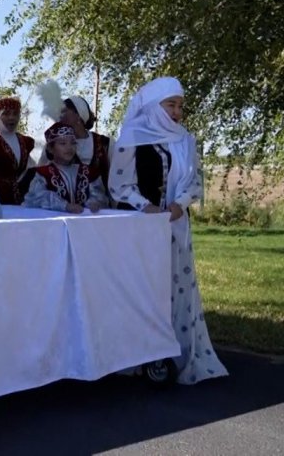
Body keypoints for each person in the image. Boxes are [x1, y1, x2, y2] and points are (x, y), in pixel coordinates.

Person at [109, 77, 227, 385]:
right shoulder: (132, 138)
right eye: (170, 105)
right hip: (140, 227)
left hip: (175, 224)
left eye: (180, 106)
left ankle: (173, 351)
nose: (176, 112)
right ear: (153, 107)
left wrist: (179, 204)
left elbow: (195, 182)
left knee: (174, 289)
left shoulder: (184, 140)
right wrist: (145, 206)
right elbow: (119, 184)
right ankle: (139, 356)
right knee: (144, 290)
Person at [24, 123, 107, 213]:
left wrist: (94, 203)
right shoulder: (43, 173)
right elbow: (36, 197)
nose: (69, 147)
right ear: (50, 149)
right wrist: (65, 206)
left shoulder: (88, 172)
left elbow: (100, 196)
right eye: (63, 143)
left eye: (73, 143)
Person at [0, 97, 34, 205]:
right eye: (6, 113)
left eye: (15, 114)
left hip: (23, 200)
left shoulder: (27, 142)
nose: (11, 118)